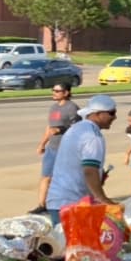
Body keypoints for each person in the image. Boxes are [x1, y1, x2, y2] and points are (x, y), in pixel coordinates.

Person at [44, 94, 118, 220]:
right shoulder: (92, 136)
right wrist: (103, 199)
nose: (114, 117)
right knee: (77, 240)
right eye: (111, 113)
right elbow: (90, 171)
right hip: (73, 204)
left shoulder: (78, 128)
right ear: (98, 114)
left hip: (58, 201)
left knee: (64, 239)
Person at [32, 82, 80, 214]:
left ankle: (66, 204)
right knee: (45, 177)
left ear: (66, 93)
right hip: (52, 148)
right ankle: (42, 205)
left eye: (57, 91)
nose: (54, 93)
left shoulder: (72, 108)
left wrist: (61, 129)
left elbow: (77, 127)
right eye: (53, 90)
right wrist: (42, 144)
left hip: (65, 149)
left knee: (64, 178)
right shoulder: (53, 108)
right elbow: (49, 128)